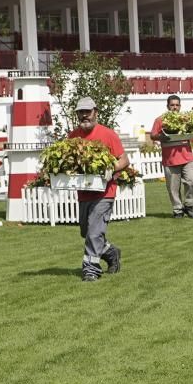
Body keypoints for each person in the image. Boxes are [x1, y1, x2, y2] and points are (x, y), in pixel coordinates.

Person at [68, 97, 130, 282]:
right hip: (84, 192)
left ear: (96, 112)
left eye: (87, 112)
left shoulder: (108, 134)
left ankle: (91, 269)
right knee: (86, 232)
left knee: (94, 232)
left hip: (104, 192)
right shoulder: (73, 136)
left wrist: (112, 169)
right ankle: (111, 253)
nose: (84, 115)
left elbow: (124, 160)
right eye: (81, 112)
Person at [150, 94, 193, 219]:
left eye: (177, 105)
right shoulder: (160, 120)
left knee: (192, 180)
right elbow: (153, 135)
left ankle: (189, 205)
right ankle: (178, 210)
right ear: (167, 106)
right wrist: (161, 137)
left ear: (180, 106)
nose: (175, 107)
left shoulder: (186, 119)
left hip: (187, 157)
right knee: (173, 188)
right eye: (172, 105)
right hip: (170, 159)